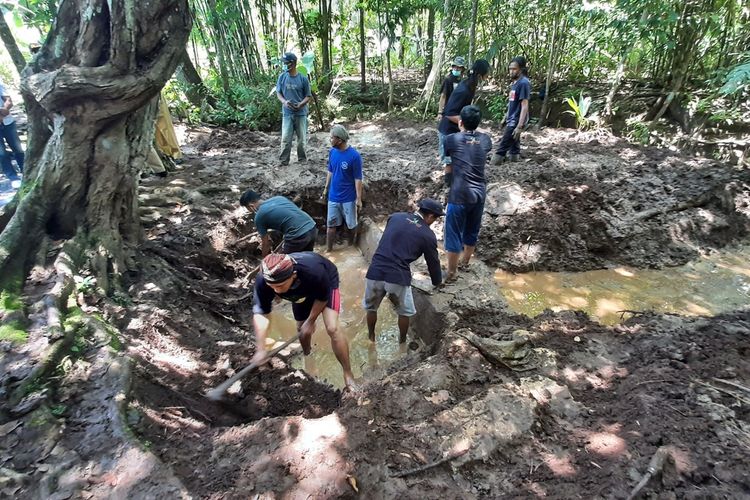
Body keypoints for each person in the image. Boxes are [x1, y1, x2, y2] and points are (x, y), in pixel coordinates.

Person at [251, 252, 356, 389]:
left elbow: (322, 298)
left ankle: (348, 374)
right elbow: (261, 314)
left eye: (280, 285)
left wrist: (311, 320)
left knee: (332, 328)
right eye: (272, 287)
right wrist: (261, 348)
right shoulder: (262, 280)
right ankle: (308, 355)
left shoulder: (313, 271)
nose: (277, 291)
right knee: (302, 329)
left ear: (293, 275)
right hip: (298, 290)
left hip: (326, 282)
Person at [363, 199, 444, 344]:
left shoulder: (395, 217)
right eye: (436, 218)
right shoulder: (428, 235)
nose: (434, 221)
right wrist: (437, 282)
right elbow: (433, 263)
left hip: (376, 269)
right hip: (398, 276)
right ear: (430, 216)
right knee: (404, 312)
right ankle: (401, 342)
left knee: (371, 308)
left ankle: (371, 338)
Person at [444, 105, 492, 281]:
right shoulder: (486, 140)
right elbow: (479, 144)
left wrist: (447, 182)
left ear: (460, 122)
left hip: (459, 193)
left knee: (453, 233)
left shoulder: (451, 140)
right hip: (479, 193)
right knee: (472, 230)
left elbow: (449, 163)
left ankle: (451, 273)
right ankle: (465, 263)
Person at [437, 59, 490, 180]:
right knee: (450, 161)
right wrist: (470, 127)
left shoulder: (469, 87)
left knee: (457, 160)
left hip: (456, 129)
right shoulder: (464, 90)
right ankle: (448, 186)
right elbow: (449, 113)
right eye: (486, 75)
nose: (487, 77)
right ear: (480, 75)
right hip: (448, 130)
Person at [240, 190, 318, 255]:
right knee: (307, 257)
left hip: (298, 235)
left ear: (251, 206)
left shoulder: (259, 217)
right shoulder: (279, 198)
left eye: (247, 208)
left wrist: (265, 260)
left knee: (285, 264)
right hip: (311, 226)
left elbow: (265, 243)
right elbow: (288, 216)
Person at [323, 124, 363, 251]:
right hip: (333, 196)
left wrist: (359, 198)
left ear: (339, 140)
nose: (330, 140)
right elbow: (330, 171)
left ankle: (352, 246)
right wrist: (326, 189)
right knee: (330, 225)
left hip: (348, 198)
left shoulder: (354, 156)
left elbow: (358, 179)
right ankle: (328, 250)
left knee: (351, 225)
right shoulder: (332, 152)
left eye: (332, 137)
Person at [492, 56, 531, 164]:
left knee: (502, 146)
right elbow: (512, 103)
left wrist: (519, 125)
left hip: (516, 120)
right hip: (512, 118)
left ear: (521, 69)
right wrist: (506, 116)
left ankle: (495, 162)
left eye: (514, 69)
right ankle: (514, 159)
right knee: (514, 144)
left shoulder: (524, 83)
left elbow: (524, 105)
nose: (511, 71)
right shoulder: (515, 83)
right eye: (510, 69)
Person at [276, 52, 312, 166]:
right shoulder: (282, 77)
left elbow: (308, 96)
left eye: (286, 63)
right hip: (287, 113)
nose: (285, 65)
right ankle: (283, 161)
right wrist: (284, 102)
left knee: (301, 139)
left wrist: (301, 104)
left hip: (301, 113)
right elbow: (278, 93)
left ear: (293, 63)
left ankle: (302, 160)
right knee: (286, 138)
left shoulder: (303, 79)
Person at [0, 80, 24, 183]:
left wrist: (2, 114)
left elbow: (8, 102)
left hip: (8, 122)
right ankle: (13, 177)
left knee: (17, 148)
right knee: (1, 153)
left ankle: (25, 171)